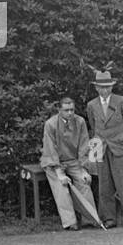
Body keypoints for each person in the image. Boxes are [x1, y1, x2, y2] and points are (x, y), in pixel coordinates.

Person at [84, 70, 123, 228]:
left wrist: (120, 137)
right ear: (96, 88)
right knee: (103, 184)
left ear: (112, 86)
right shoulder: (91, 105)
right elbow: (93, 126)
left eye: (108, 87)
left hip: (119, 144)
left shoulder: (122, 101)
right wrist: (101, 140)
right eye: (101, 87)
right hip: (98, 145)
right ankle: (108, 219)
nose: (105, 90)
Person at [40, 97, 96, 232]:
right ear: (59, 110)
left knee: (84, 182)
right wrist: (59, 172)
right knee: (61, 188)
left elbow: (84, 145)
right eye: (66, 110)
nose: (70, 113)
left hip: (74, 161)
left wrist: (84, 168)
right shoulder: (50, 124)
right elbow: (50, 149)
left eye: (72, 110)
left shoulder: (80, 121)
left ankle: (90, 218)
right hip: (54, 162)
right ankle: (70, 222)